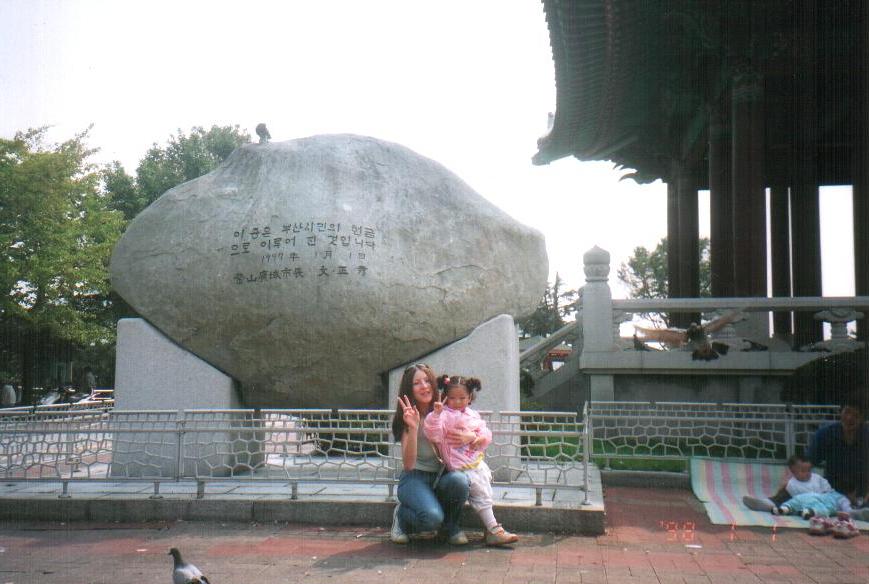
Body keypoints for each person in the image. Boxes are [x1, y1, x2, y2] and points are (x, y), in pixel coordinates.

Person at [424, 374, 519, 546]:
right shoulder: (443, 415)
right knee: (481, 492)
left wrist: (476, 438)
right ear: (445, 396)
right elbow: (433, 433)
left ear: (469, 397)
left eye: (462, 398)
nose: (457, 402)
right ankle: (493, 529)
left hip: (474, 462)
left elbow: (485, 432)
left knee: (484, 489)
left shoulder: (472, 415)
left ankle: (492, 529)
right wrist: (435, 414)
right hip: (459, 466)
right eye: (452, 398)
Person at [390, 363, 471, 545]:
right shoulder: (408, 416)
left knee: (460, 481)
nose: (424, 386)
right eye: (417, 383)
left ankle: (451, 527)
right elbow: (408, 465)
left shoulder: (445, 409)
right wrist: (413, 427)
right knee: (431, 519)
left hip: (442, 475)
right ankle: (401, 517)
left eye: (427, 381)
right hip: (415, 478)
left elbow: (474, 425)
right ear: (409, 389)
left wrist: (471, 436)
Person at [743, 397, 869, 513]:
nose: (849, 418)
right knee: (797, 487)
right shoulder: (827, 433)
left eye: (855, 415)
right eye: (847, 412)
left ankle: (859, 511)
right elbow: (808, 461)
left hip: (861, 488)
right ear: (841, 412)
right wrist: (790, 480)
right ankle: (769, 503)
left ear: (863, 418)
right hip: (831, 489)